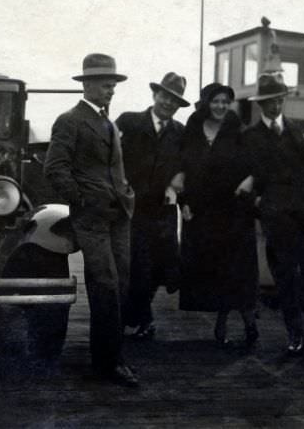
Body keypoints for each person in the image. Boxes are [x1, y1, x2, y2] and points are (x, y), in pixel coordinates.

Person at [44, 53, 138, 388]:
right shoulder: (70, 120)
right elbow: (55, 167)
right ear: (86, 85)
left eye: (113, 84)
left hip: (119, 216)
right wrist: (83, 200)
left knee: (121, 284)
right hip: (92, 217)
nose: (111, 88)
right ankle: (108, 364)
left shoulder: (108, 122)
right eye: (104, 83)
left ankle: (111, 356)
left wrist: (125, 193)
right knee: (105, 285)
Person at [242, 73, 304, 358]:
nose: (275, 106)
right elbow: (242, 181)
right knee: (286, 278)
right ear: (260, 103)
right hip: (278, 219)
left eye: (279, 99)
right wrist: (262, 207)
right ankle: (295, 336)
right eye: (269, 101)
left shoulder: (302, 128)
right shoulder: (249, 137)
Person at [176, 82, 259, 348]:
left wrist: (250, 180)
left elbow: (257, 163)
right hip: (203, 211)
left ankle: (250, 323)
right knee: (215, 270)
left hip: (234, 210)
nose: (221, 106)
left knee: (239, 269)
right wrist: (183, 201)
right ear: (206, 102)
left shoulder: (237, 128)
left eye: (226, 101)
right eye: (216, 101)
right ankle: (221, 321)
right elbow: (181, 167)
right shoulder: (192, 127)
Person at [115, 71, 189, 341]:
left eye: (174, 100)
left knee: (163, 267)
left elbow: (188, 163)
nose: (168, 103)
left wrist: (181, 177)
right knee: (136, 266)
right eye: (165, 96)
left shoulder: (180, 132)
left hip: (164, 210)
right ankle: (138, 320)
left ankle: (137, 318)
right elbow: (111, 157)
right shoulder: (129, 121)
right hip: (133, 209)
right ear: (155, 94)